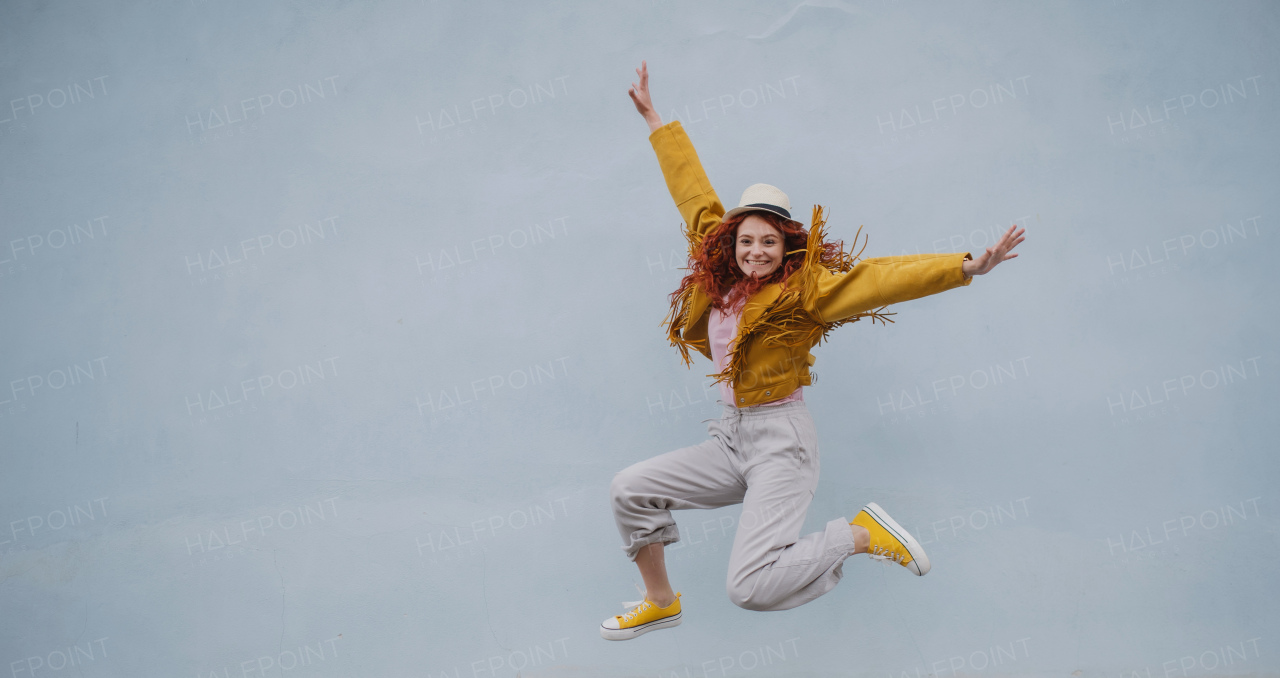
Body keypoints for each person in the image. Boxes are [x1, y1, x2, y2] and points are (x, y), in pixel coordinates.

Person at [601, 60, 1025, 641]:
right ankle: (661, 600)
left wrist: (967, 267)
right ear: (732, 241)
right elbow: (691, 190)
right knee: (630, 488)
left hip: (782, 442)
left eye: (768, 242)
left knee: (747, 588)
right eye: (746, 240)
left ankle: (857, 534)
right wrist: (654, 118)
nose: (755, 251)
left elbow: (878, 279)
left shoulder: (804, 293)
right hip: (731, 436)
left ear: (785, 247)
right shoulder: (717, 272)